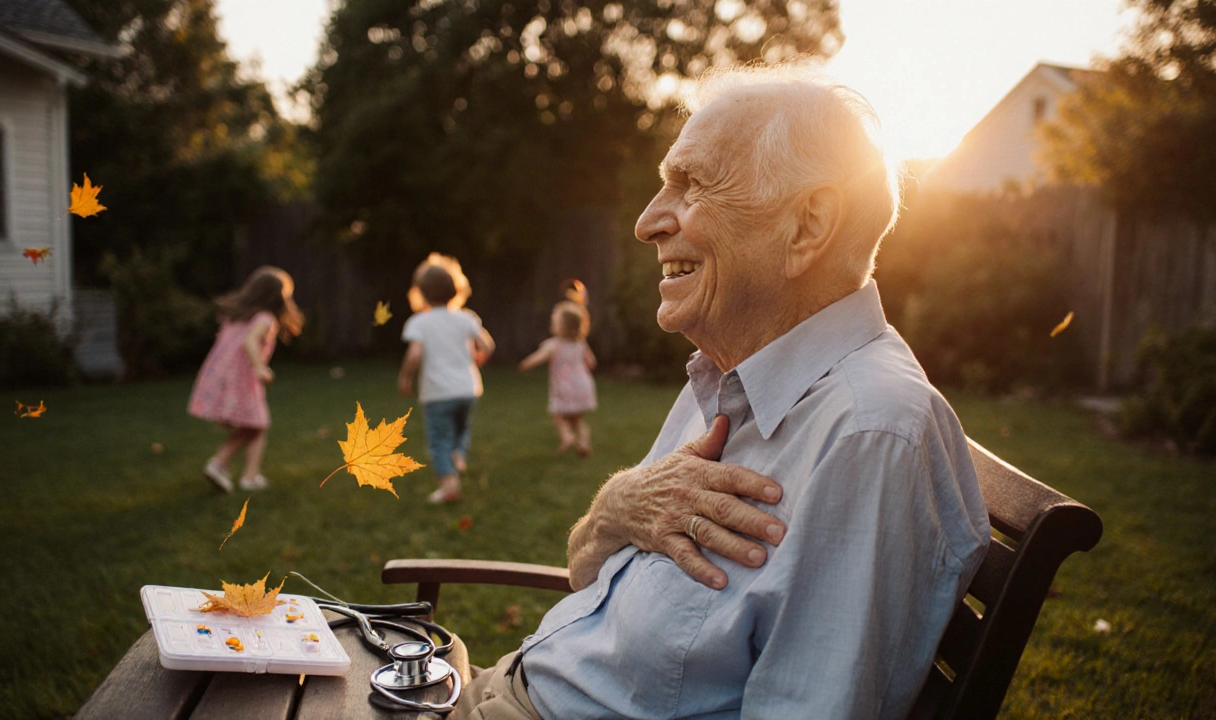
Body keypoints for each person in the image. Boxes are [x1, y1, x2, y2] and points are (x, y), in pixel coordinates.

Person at [451, 62, 990, 720]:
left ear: (808, 225)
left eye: (691, 184)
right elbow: (587, 568)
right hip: (496, 685)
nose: (648, 222)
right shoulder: (730, 372)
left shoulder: (870, 435)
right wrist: (614, 506)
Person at [188, 266, 304, 493]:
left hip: (223, 378)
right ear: (277, 296)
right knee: (257, 425)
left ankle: (249, 476)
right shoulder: (265, 319)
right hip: (242, 379)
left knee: (255, 426)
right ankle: (221, 464)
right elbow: (249, 341)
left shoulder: (237, 316)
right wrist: (260, 367)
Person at [398, 253, 496, 504]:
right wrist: (480, 357)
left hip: (437, 393)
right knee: (461, 428)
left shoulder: (420, 321)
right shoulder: (466, 317)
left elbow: (415, 353)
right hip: (467, 389)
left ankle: (449, 484)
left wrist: (406, 377)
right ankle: (458, 456)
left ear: (420, 292)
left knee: (439, 439)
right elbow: (487, 344)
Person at [518, 289, 598, 456]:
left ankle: (567, 436)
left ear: (562, 326)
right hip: (582, 386)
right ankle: (583, 443)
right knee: (578, 420)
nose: (552, 323)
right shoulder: (580, 344)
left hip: (564, 387)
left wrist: (526, 364)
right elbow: (592, 363)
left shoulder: (554, 345)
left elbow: (538, 358)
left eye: (554, 321)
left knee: (558, 417)